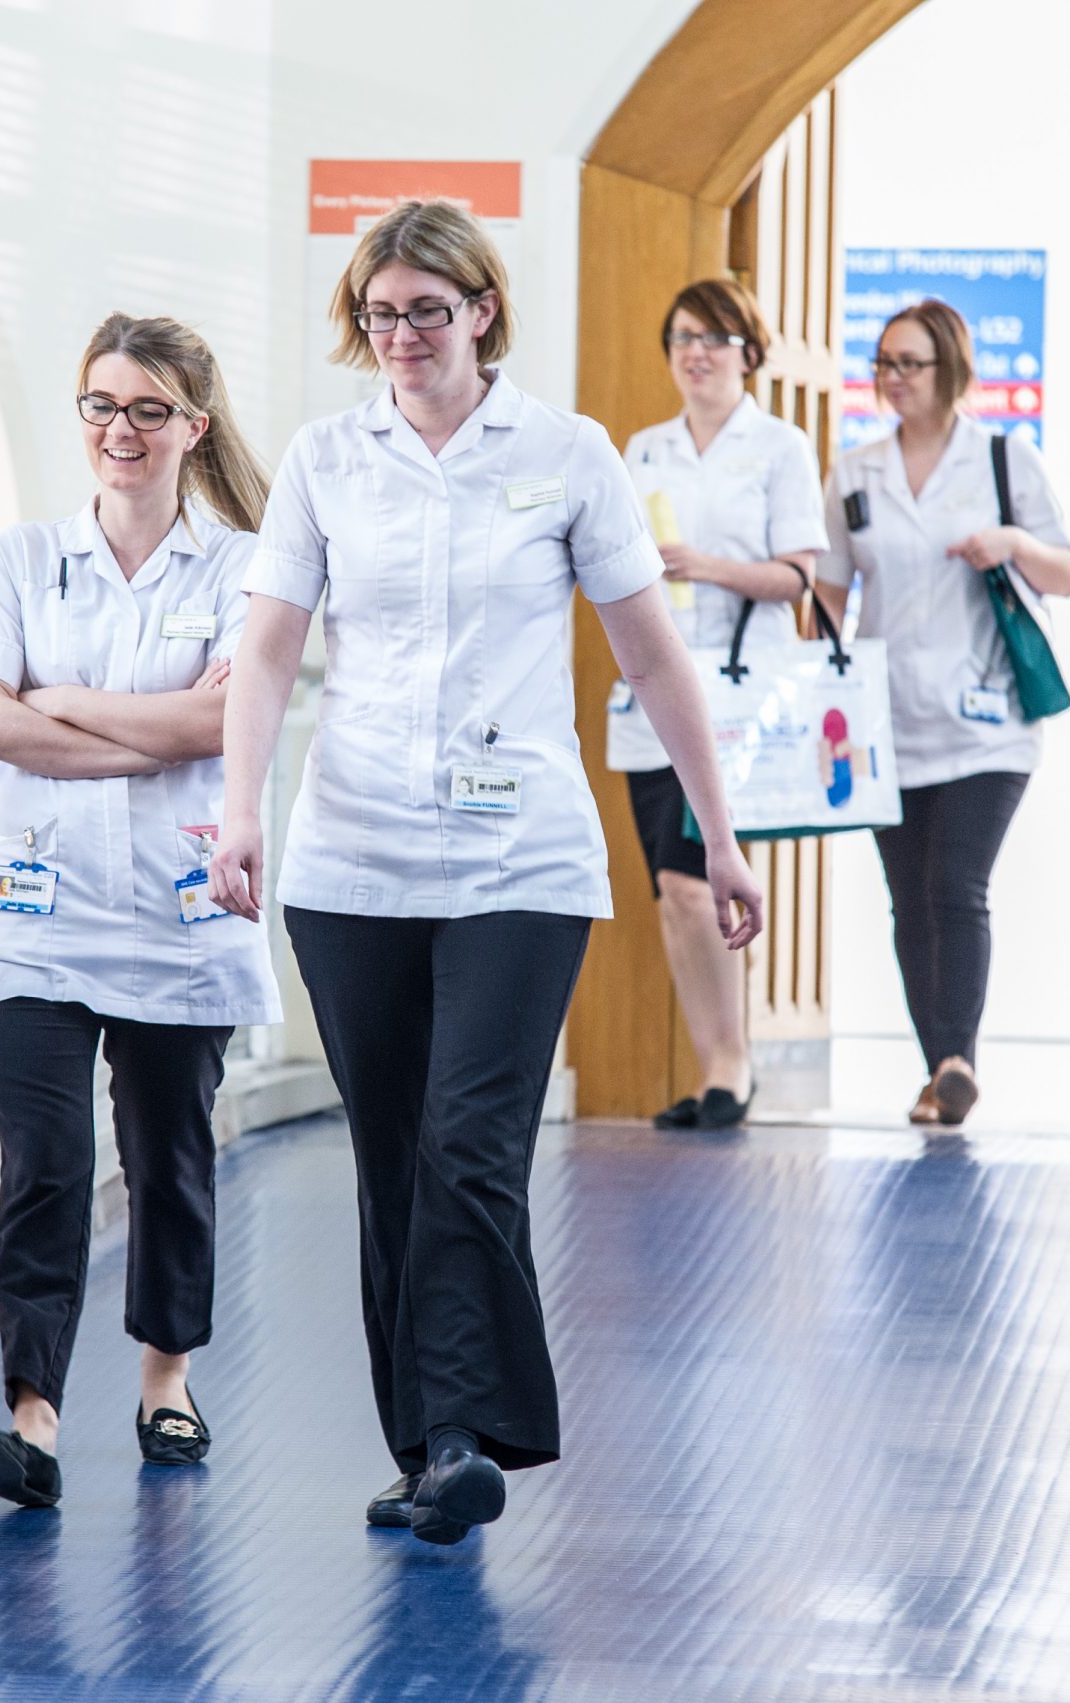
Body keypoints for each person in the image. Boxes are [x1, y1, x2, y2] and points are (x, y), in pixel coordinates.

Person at [206, 199, 765, 1546]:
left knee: (472, 1143)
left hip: (525, 861)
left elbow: (650, 656)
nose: (401, 337)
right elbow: (271, 651)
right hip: (354, 861)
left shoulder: (568, 455)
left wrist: (720, 828)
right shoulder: (327, 459)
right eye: (379, 314)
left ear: (481, 314)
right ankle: (425, 1444)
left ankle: (462, 1432)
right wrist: (241, 812)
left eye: (426, 311)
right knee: (396, 1158)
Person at [0, 313, 280, 1509]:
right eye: (98, 405)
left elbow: (218, 728)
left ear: (193, 423)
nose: (118, 432)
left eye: (145, 410)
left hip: (179, 915)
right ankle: (31, 1414)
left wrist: (68, 702)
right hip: (29, 918)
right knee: (46, 1160)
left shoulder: (246, 564)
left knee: (169, 1155)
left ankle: (165, 1379)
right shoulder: (25, 557)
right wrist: (149, 731)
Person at [815, 299, 1070, 1127]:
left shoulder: (1002, 459)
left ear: (951, 369)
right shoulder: (854, 471)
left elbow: (1066, 572)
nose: (893, 378)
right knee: (909, 898)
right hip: (885, 722)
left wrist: (1011, 543)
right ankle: (940, 1071)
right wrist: (818, 670)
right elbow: (829, 586)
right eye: (884, 363)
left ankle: (958, 1058)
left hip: (987, 721)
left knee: (955, 884)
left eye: (910, 363)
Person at [609, 278, 827, 1132]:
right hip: (652, 687)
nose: (695, 351)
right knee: (672, 890)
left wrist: (702, 566)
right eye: (682, 336)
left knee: (700, 883)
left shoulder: (780, 447)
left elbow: (799, 575)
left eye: (715, 337)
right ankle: (716, 1067)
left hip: (741, 695)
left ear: (749, 352)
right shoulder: (643, 448)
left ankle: (732, 1066)